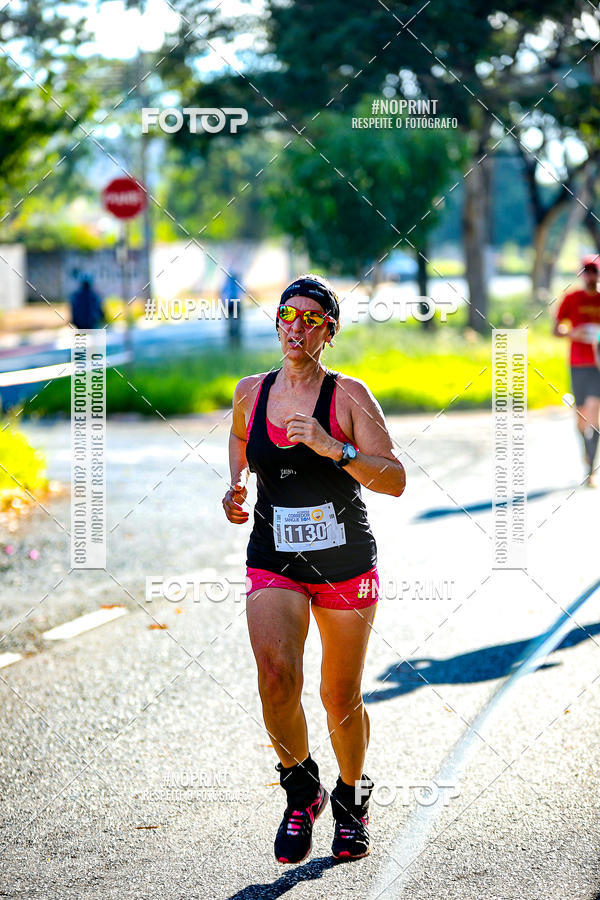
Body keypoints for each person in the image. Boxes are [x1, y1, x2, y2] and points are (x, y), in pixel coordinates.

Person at [222, 273, 406, 864]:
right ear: (276, 323)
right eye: (287, 316)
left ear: (329, 333)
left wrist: (336, 449)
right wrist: (235, 484)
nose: (295, 327)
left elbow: (395, 479)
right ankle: (301, 791)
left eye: (310, 319)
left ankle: (353, 797)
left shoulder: (349, 396)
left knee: (339, 694)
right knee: (276, 676)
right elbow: (236, 437)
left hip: (345, 561)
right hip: (274, 555)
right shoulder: (251, 391)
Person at [554, 255, 600, 487]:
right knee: (581, 418)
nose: (591, 276)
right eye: (587, 271)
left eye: (595, 271)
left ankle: (590, 470)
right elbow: (557, 328)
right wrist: (574, 333)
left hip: (598, 366)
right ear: (582, 274)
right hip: (577, 364)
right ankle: (586, 451)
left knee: (594, 414)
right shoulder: (572, 299)